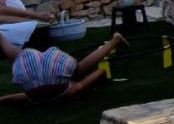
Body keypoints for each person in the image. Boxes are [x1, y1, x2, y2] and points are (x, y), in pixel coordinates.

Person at [0, 30, 129, 105]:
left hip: (52, 69)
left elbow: (86, 82)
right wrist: (100, 71)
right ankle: (1, 38)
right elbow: (17, 97)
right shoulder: (34, 97)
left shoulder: (65, 92)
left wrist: (101, 71)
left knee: (81, 68)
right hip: (26, 73)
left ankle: (114, 41)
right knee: (18, 57)